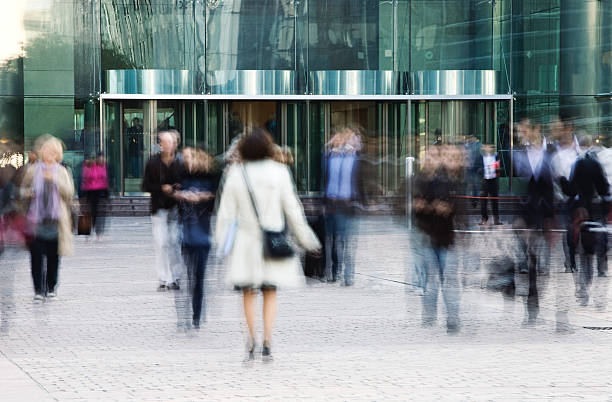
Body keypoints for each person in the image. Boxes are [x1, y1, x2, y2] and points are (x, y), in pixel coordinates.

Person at [215, 127, 320, 361]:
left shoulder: (235, 174)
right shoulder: (280, 172)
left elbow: (225, 214)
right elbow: (293, 210)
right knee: (270, 291)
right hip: (272, 240)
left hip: (245, 243)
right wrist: (307, 239)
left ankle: (250, 340)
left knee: (248, 291)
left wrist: (222, 243)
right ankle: (267, 341)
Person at [413, 145, 461, 334]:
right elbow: (415, 208)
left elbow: (456, 205)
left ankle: (452, 318)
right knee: (429, 279)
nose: (430, 160)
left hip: (446, 237)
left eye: (434, 156)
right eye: (428, 156)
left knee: (448, 279)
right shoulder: (419, 181)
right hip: (427, 236)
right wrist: (424, 208)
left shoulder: (447, 181)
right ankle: (430, 315)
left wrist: (447, 208)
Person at [20, 136, 74, 301]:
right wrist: (26, 194)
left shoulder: (62, 171)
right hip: (35, 221)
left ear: (57, 154)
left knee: (53, 258)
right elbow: (22, 190)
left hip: (56, 222)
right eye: (45, 150)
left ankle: (51, 287)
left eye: (52, 151)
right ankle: (38, 289)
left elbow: (70, 193)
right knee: (36, 258)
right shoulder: (32, 170)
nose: (48, 153)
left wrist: (55, 180)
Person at [174, 147, 219, 330]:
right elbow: (171, 194)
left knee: (198, 277)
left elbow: (217, 200)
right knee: (186, 275)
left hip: (203, 234)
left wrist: (202, 196)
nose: (186, 160)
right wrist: (180, 194)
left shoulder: (210, 178)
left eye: (189, 157)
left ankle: (196, 315)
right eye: (184, 157)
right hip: (186, 233)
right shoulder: (181, 176)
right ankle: (183, 315)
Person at [142, 130, 183, 291]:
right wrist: (161, 188)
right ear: (160, 144)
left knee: (174, 242)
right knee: (161, 243)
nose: (168, 145)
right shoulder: (153, 162)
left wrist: (176, 188)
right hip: (159, 207)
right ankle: (163, 278)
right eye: (165, 142)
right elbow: (145, 185)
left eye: (171, 142)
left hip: (176, 207)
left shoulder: (180, 163)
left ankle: (175, 277)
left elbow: (185, 182)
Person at [324, 127, 362, 285]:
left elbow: (361, 183)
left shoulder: (356, 159)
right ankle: (336, 272)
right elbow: (325, 181)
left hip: (349, 204)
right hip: (333, 203)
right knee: (335, 241)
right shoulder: (331, 158)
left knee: (347, 241)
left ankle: (348, 275)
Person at [81, 152, 109, 239]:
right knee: (87, 212)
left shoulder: (104, 166)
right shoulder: (89, 166)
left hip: (101, 192)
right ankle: (86, 234)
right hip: (89, 192)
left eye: (103, 158)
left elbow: (107, 179)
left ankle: (99, 233)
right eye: (100, 158)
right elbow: (83, 179)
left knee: (100, 214)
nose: (102, 160)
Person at [476, 144, 502, 225]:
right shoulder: (480, 157)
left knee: (494, 201)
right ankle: (484, 219)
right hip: (484, 181)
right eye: (487, 147)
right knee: (483, 201)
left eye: (491, 147)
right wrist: (482, 170)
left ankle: (496, 219)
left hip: (493, 180)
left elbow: (499, 168)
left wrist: (497, 169)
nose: (489, 148)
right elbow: (477, 169)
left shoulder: (496, 156)